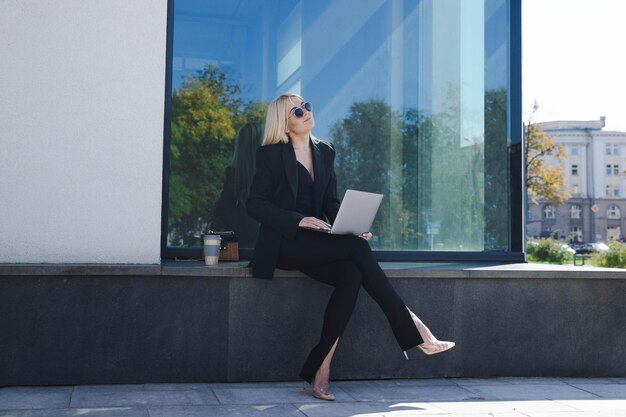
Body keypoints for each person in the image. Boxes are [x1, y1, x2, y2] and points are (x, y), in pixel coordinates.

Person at [246, 93, 455, 401]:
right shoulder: (271, 155)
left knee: (351, 274)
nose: (306, 113)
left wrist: (353, 225)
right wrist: (298, 220)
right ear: (285, 122)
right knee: (356, 251)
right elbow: (256, 205)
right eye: (298, 111)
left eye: (307, 106)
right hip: (286, 244)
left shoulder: (325, 151)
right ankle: (415, 326)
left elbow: (329, 202)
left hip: (318, 241)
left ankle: (321, 369)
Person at [211, 121, 263, 248]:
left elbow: (222, 211)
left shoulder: (233, 175)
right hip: (264, 246)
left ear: (239, 147)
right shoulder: (271, 172)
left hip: (241, 246)